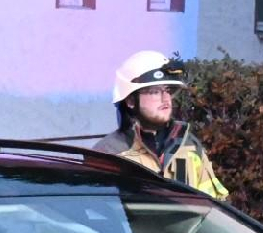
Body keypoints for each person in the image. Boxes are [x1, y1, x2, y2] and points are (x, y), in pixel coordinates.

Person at [92, 51, 228, 200]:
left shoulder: (189, 146)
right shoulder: (109, 153)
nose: (166, 99)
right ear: (130, 101)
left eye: (168, 90)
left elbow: (215, 207)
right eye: (155, 91)